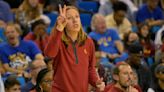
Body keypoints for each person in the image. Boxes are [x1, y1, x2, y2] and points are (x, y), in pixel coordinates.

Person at [44, 5, 105, 92]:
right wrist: (59, 29)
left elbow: (90, 68)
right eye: (69, 18)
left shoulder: (88, 42)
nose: (75, 20)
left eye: (77, 16)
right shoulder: (58, 40)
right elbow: (49, 54)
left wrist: (96, 82)